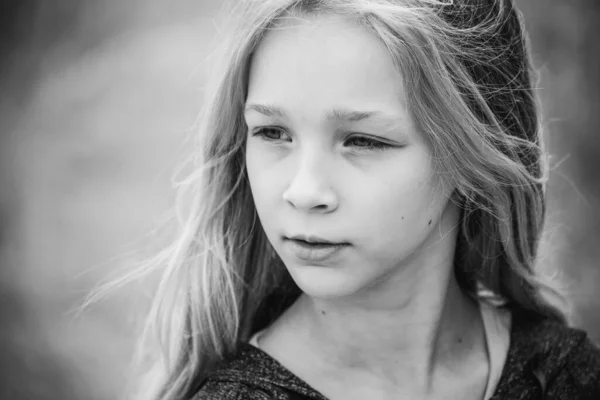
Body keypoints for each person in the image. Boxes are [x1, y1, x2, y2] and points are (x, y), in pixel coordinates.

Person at [132, 0, 600, 399]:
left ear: (475, 151)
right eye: (272, 132)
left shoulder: (563, 373)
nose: (304, 191)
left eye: (362, 140)